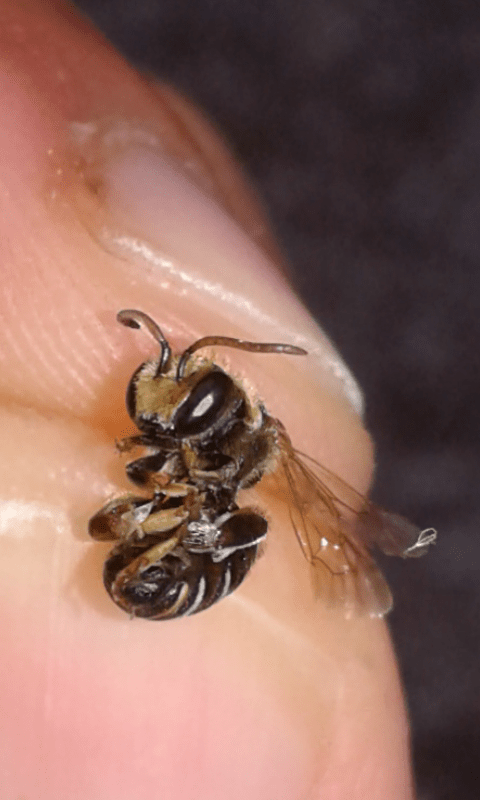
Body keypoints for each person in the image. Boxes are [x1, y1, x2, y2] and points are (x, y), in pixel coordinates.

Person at [0, 1, 414, 797]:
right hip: (173, 553)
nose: (162, 404)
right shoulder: (201, 456)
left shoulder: (218, 469)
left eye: (178, 400)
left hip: (173, 569)